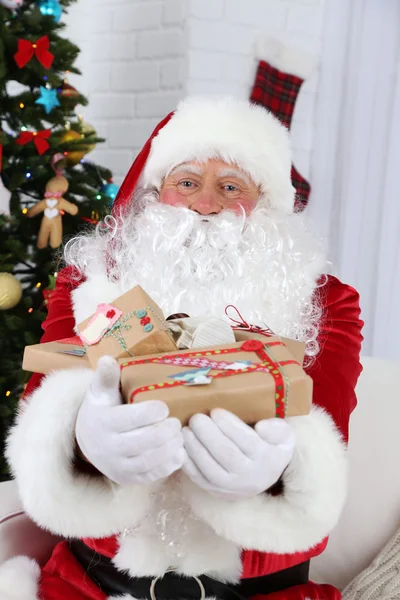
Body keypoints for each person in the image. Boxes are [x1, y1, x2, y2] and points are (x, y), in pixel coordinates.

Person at [0, 96, 363, 600]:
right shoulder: (90, 284)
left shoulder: (326, 302)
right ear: (156, 193)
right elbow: (44, 400)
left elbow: (329, 435)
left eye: (230, 186)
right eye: (186, 181)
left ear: (266, 204)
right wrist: (82, 443)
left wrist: (277, 476)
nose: (204, 204)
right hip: (92, 586)